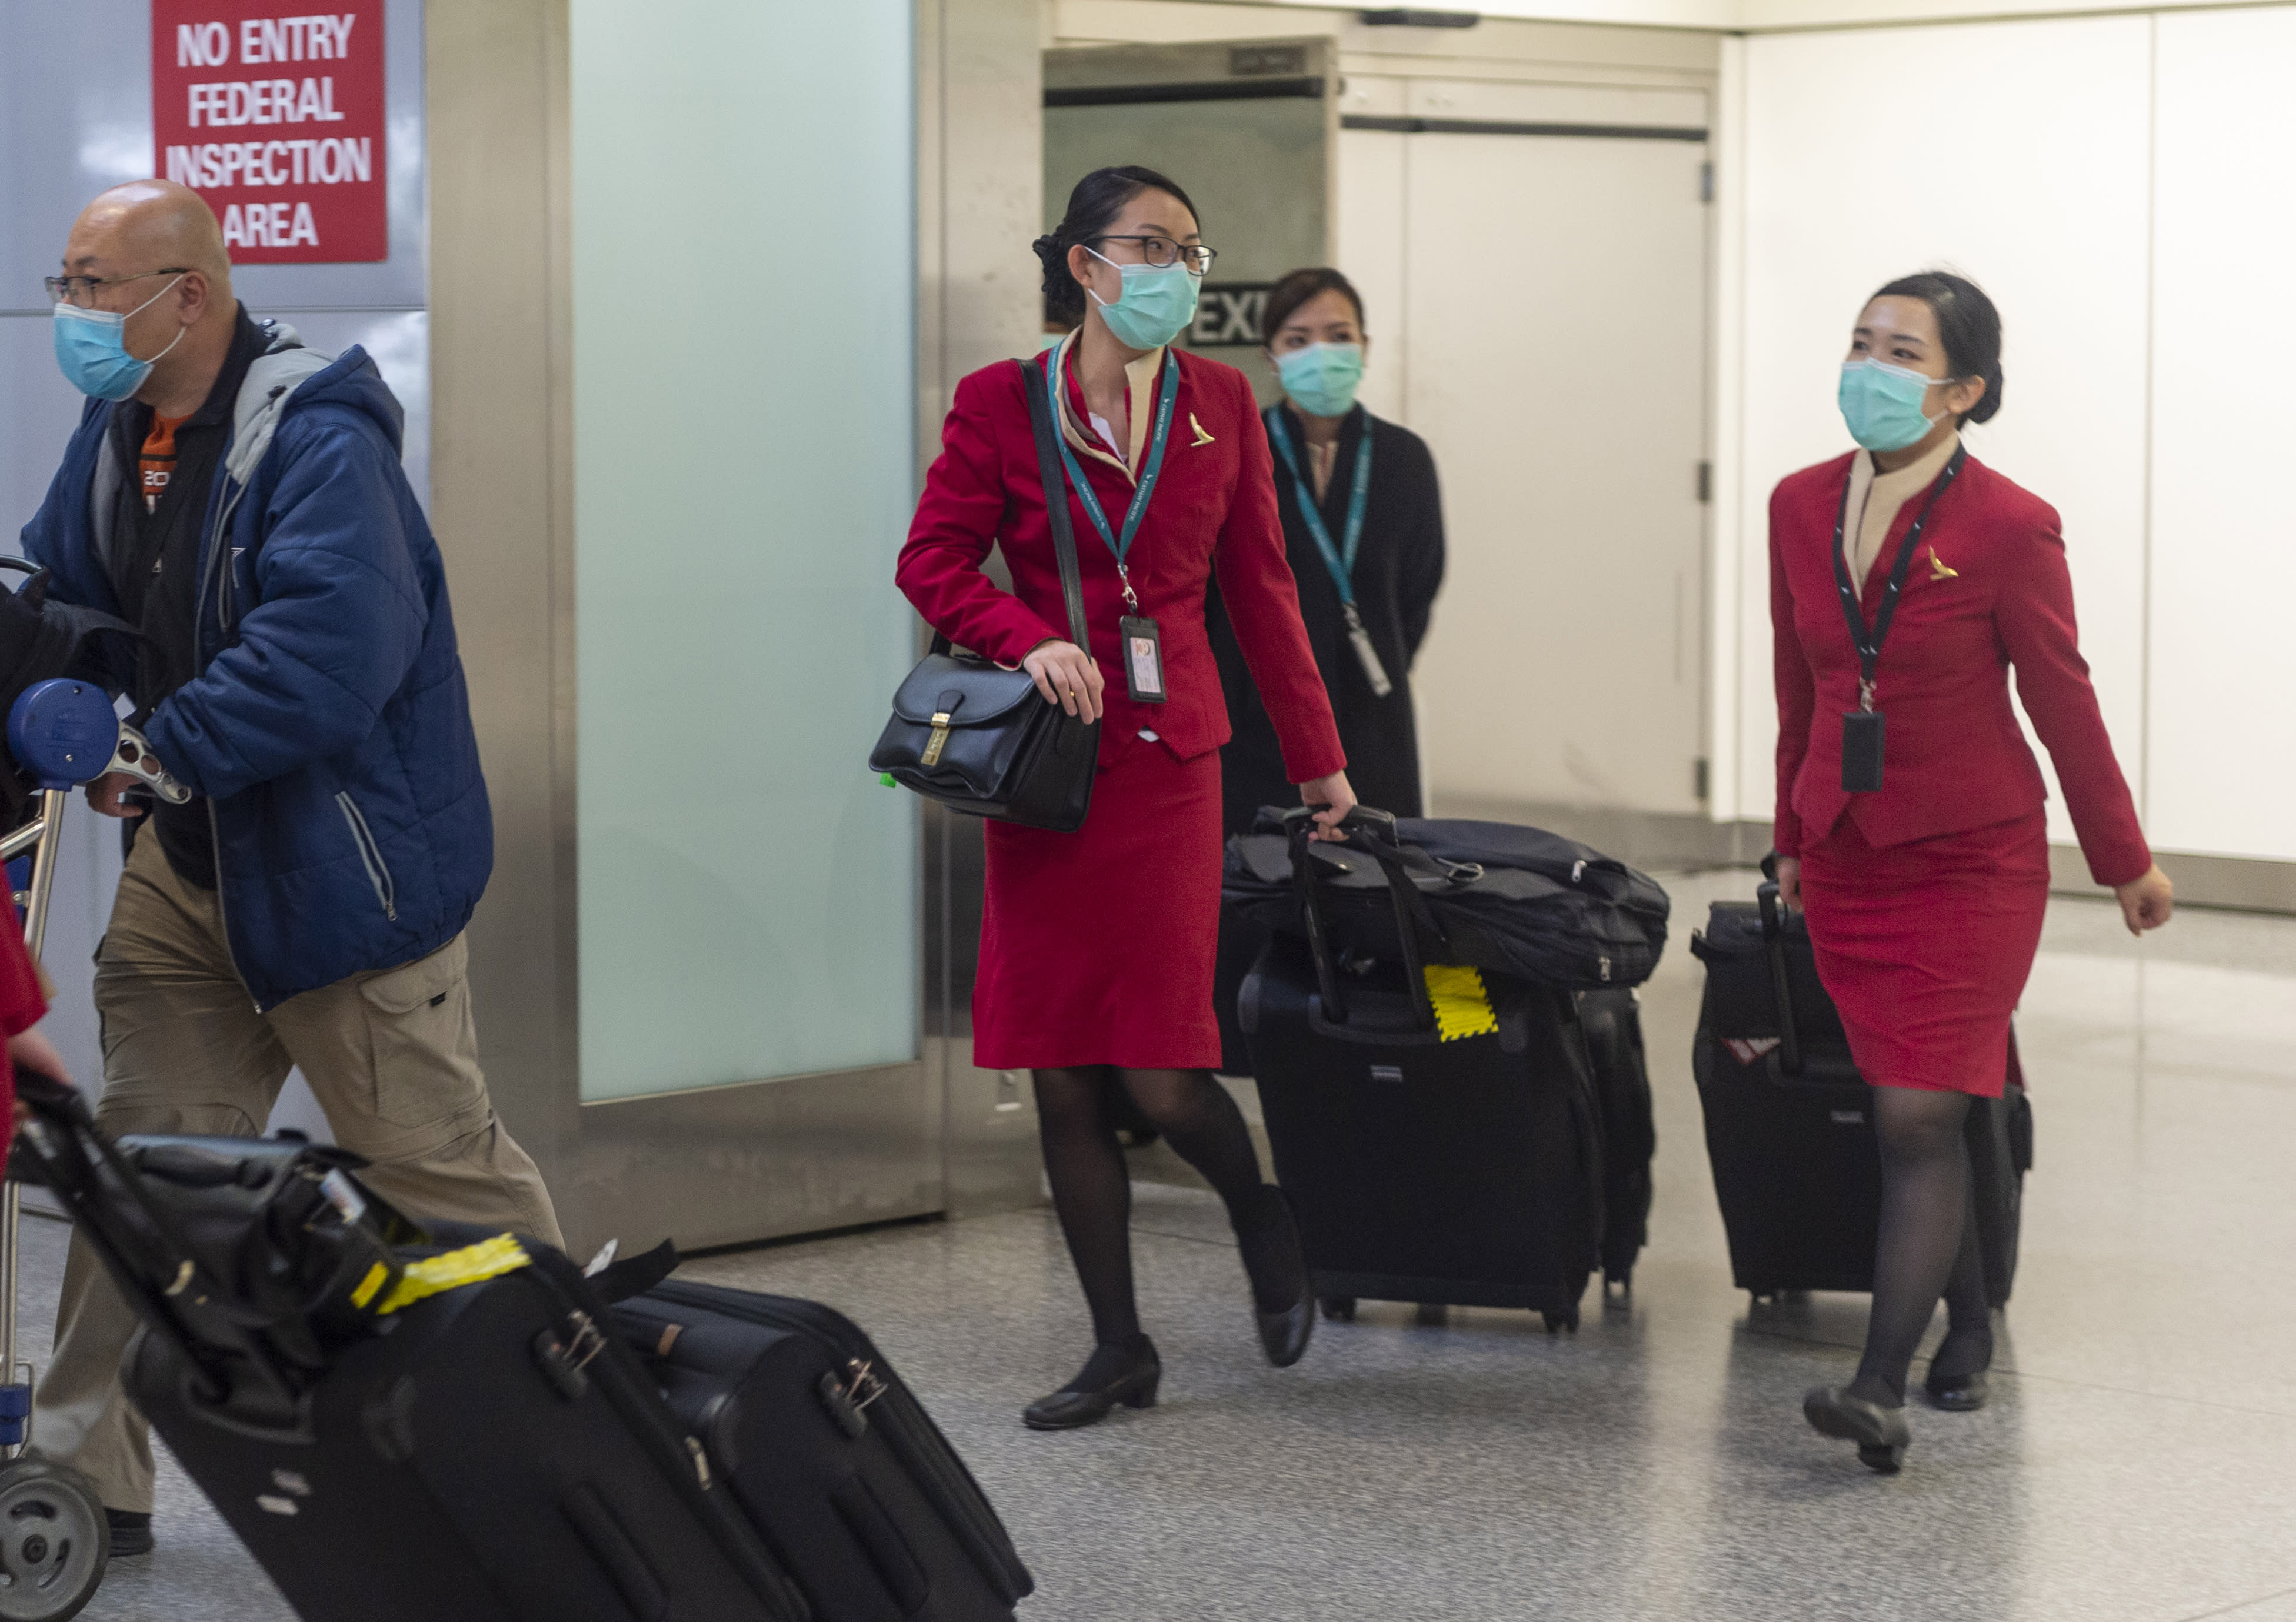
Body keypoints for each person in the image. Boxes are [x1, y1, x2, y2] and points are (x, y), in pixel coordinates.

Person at [20, 180, 562, 1551]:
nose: (71, 310)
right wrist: (52, 676)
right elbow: (62, 583)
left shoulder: (319, 444)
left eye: (94, 284)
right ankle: (89, 1476)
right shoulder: (119, 426)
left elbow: (331, 654)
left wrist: (155, 748)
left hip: (343, 883)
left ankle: (577, 1421)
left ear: (185, 296)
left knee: (442, 1179)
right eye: (66, 280)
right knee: (138, 1176)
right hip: (191, 873)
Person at [897, 165, 1356, 1430]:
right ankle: (1117, 1347)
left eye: (1190, 252)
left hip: (1167, 769)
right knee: (1059, 1072)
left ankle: (1261, 1211)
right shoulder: (1003, 401)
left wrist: (1320, 762)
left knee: (1159, 1072)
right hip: (1047, 772)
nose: (1174, 272)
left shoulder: (1221, 404)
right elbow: (930, 558)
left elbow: (1263, 596)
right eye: (1149, 246)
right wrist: (1018, 632)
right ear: (1085, 264)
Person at [1771, 271, 2172, 1471]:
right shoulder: (1796, 504)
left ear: (1962, 390)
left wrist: (2124, 859)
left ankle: (1875, 1383)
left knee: (1915, 1110)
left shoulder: (2007, 523)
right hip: (1846, 853)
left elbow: (2063, 699)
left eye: (1900, 351)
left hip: (1969, 860)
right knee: (1942, 1094)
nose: (1869, 367)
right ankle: (1972, 1312)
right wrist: (1788, 836)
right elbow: (1799, 686)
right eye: (1858, 342)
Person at [1211, 267, 1445, 835]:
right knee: (1260, 888)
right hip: (1254, 717)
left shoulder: (1403, 459)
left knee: (1377, 897)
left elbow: (1418, 589)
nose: (1322, 352)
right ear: (1271, 357)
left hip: (1373, 714)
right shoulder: (1235, 452)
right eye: (1298, 340)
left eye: (1339, 336)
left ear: (1365, 346)